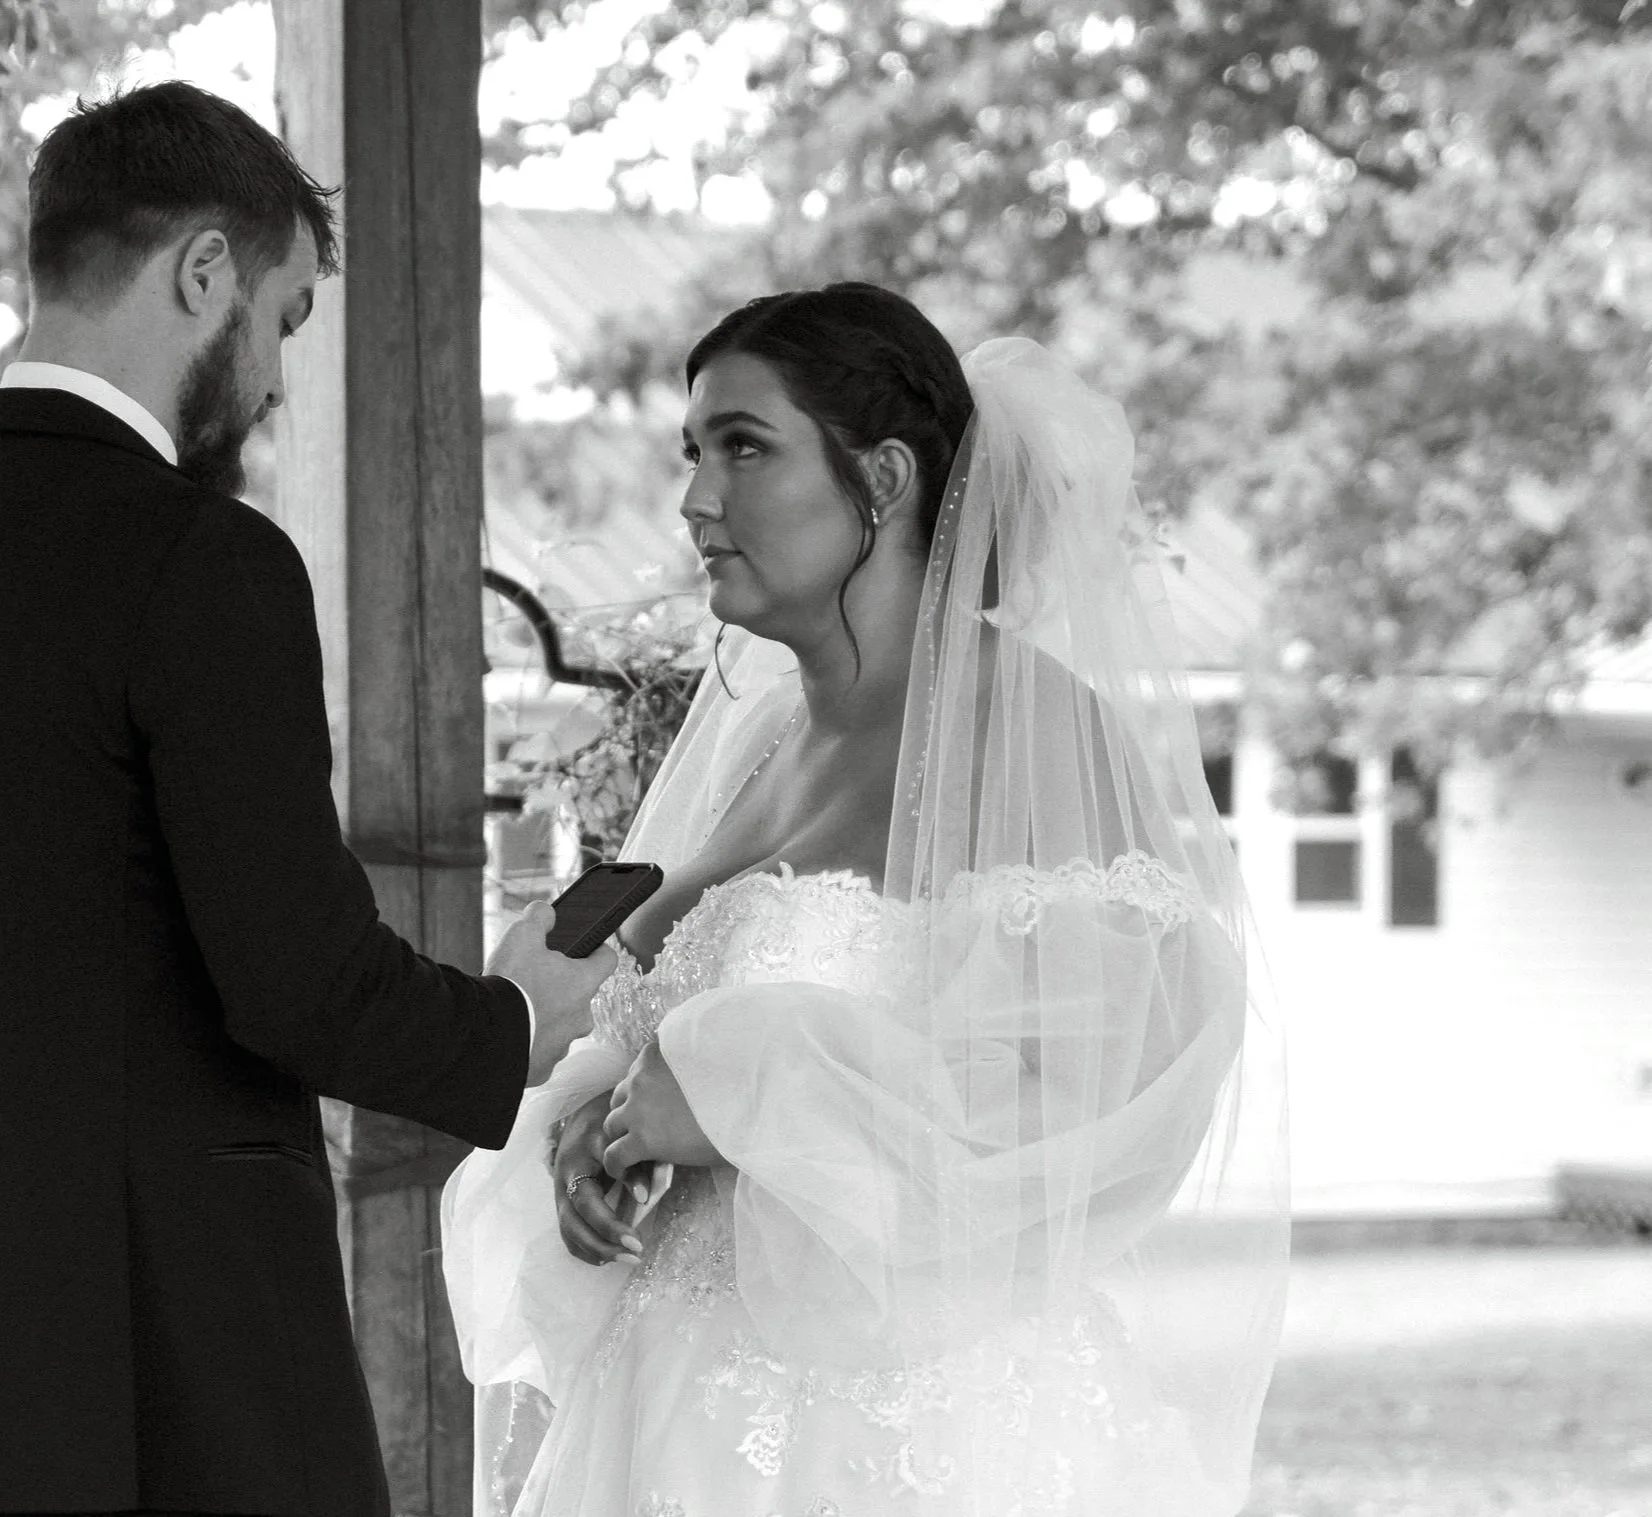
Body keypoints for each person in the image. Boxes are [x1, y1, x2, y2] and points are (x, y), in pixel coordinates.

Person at [0, 81, 612, 1517]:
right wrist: (513, 1025)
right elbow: (294, 980)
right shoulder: (206, 564)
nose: (275, 384)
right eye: (280, 321)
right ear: (202, 271)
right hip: (202, 1393)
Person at [442, 285, 1289, 1517]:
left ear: (881, 478)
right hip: (671, 1411)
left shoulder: (1027, 726)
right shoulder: (761, 741)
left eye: (743, 445)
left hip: (906, 1428)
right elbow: (656, 1040)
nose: (695, 499)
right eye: (693, 452)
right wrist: (600, 1131)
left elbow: (1102, 1087)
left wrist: (742, 1087)